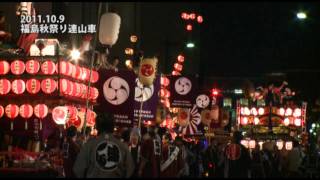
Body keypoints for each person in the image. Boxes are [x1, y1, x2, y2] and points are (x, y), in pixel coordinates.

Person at [73, 112, 134, 178]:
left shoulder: (89, 145)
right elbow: (130, 169)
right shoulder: (123, 146)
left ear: (97, 126)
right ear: (113, 126)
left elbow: (78, 169)